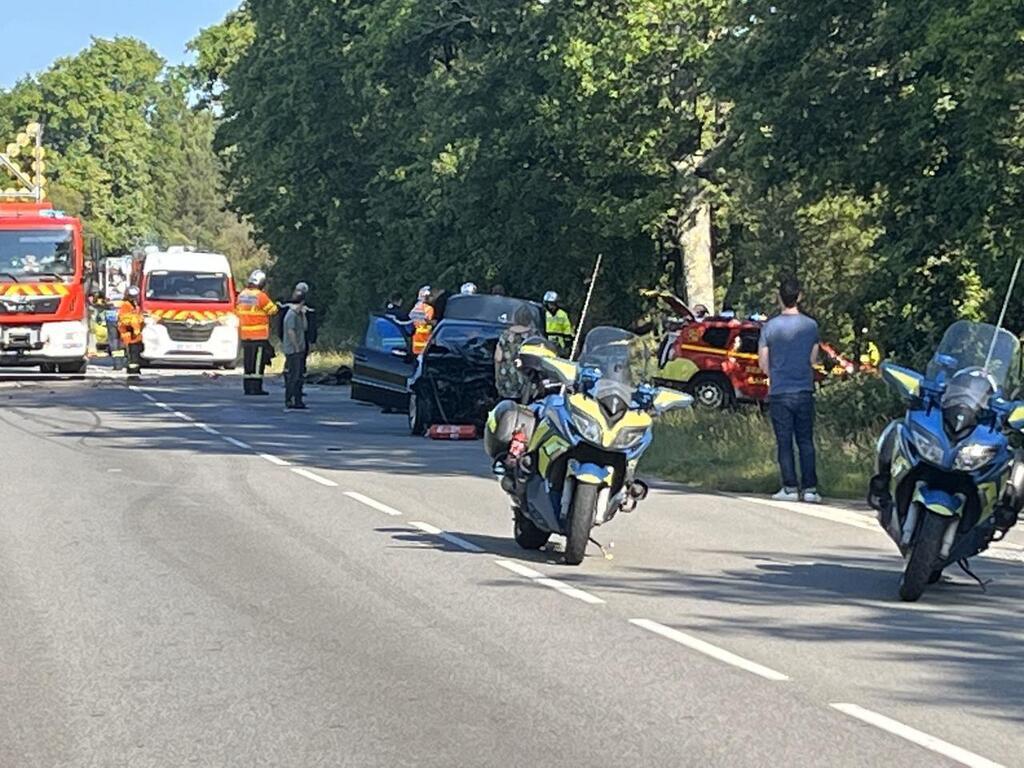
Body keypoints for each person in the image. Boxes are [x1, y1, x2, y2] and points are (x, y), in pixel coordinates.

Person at [759, 276, 821, 503]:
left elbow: (763, 364)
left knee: (784, 441)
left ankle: (790, 487)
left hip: (780, 391)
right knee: (806, 440)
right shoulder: (811, 326)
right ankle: (811, 488)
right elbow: (813, 360)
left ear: (779, 298)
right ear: (800, 297)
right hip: (804, 389)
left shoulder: (770, 327)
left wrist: (774, 373)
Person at [236, 270, 278, 396]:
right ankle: (256, 388)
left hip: (245, 335)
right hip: (258, 336)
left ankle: (247, 388)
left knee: (248, 363)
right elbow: (273, 310)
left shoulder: (242, 295)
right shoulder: (260, 296)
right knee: (257, 364)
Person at [282, 284, 310, 410]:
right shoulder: (291, 315)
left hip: (300, 348)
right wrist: (296, 347)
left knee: (299, 376)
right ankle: (290, 399)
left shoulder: (298, 315)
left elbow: (305, 328)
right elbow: (290, 332)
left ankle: (298, 400)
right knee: (293, 376)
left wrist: (304, 315)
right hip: (293, 350)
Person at [117, 286, 144, 380]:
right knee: (132, 357)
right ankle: (133, 374)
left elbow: (139, 316)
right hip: (129, 336)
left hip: (136, 336)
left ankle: (136, 371)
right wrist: (134, 322)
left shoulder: (135, 305)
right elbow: (124, 320)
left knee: (136, 355)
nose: (134, 298)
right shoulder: (125, 305)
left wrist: (141, 319)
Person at [543, 290, 574, 355]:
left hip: (559, 342)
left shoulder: (562, 314)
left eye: (552, 304)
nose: (550, 306)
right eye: (548, 304)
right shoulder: (545, 314)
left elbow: (567, 327)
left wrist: (568, 340)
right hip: (547, 340)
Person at [410, 285, 435, 355]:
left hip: (415, 342)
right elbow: (428, 322)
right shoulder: (429, 308)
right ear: (427, 297)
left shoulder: (416, 307)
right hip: (424, 342)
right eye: (431, 296)